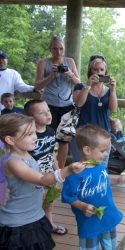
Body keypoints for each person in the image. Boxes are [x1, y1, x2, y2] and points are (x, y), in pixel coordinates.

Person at [0, 113, 85, 250]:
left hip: (34, 216)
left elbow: (38, 174)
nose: (35, 137)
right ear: (10, 139)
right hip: (18, 223)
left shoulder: (26, 154)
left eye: (34, 132)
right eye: (29, 134)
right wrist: (67, 170)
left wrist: (53, 176)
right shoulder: (13, 162)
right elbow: (40, 179)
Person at [61, 124, 125, 250]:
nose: (105, 154)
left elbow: (104, 179)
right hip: (89, 222)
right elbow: (69, 197)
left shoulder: (100, 166)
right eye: (102, 150)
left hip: (108, 217)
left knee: (110, 246)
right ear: (87, 150)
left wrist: (120, 179)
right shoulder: (74, 173)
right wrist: (83, 206)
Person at [34, 36, 80, 169]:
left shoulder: (70, 62)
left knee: (64, 141)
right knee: (46, 138)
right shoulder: (44, 62)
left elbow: (79, 83)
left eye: (61, 48)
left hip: (67, 106)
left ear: (64, 49)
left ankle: (59, 171)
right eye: (55, 48)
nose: (58, 52)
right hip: (48, 106)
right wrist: (51, 76)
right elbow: (37, 86)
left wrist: (70, 74)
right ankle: (46, 169)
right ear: (50, 49)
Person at [25, 99, 68, 235]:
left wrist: (58, 171)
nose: (48, 114)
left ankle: (49, 222)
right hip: (35, 177)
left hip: (50, 174)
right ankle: (34, 228)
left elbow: (51, 154)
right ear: (31, 117)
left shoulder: (50, 131)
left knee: (50, 200)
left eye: (48, 111)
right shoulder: (28, 136)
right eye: (42, 113)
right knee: (35, 202)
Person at [70, 56, 118, 163]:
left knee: (101, 168)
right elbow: (78, 104)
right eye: (95, 69)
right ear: (90, 71)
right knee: (81, 167)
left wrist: (113, 90)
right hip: (84, 134)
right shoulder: (80, 86)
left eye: (101, 70)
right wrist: (88, 85)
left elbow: (113, 108)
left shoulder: (108, 90)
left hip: (103, 135)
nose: (98, 72)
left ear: (105, 72)